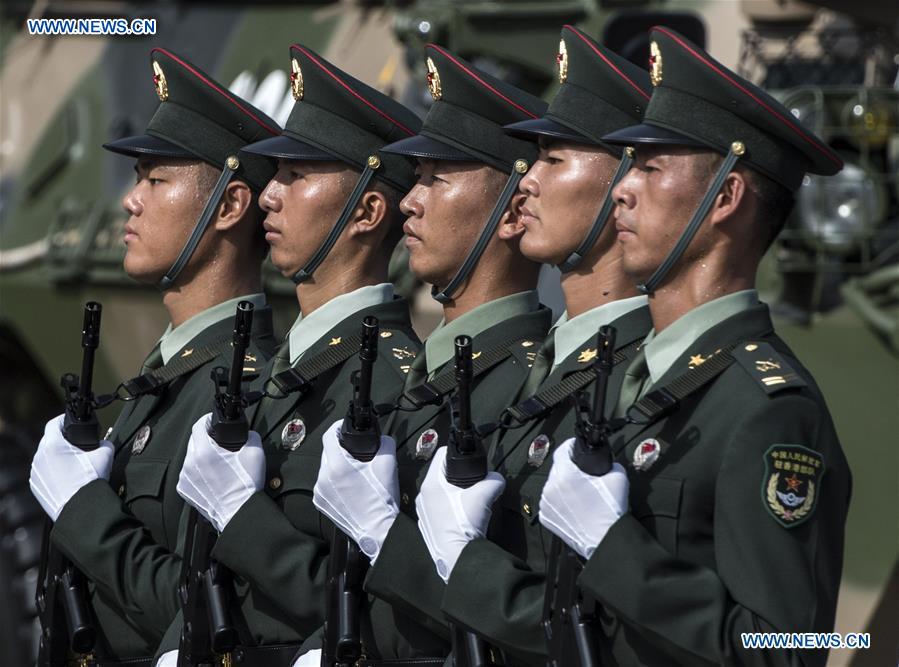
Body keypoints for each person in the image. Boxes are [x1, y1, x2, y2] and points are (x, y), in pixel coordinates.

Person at [538, 26, 851, 666]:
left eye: (651, 168)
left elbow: (787, 651)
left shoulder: (766, 410)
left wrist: (615, 549)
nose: (622, 187)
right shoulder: (628, 376)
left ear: (726, 197)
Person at [394, 26, 655, 666]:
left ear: (623, 187)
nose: (527, 181)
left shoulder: (647, 386)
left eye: (553, 159)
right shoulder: (544, 374)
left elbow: (780, 644)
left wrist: (392, 544)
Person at [157, 43, 423, 667]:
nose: (268, 197)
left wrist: (242, 517)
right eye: (273, 175)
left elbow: (368, 602)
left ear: (367, 209)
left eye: (295, 175)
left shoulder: (390, 380)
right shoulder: (272, 374)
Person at [28, 48, 280, 666]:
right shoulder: (160, 381)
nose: (129, 201)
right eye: (137, 178)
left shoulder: (247, 392)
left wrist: (85, 514)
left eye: (155, 179)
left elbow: (214, 611)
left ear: (228, 207)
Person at [308, 44, 552, 663]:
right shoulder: (427, 378)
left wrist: (387, 539)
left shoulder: (530, 393)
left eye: (435, 178)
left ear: (512, 211)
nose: (409, 201)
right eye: (412, 178)